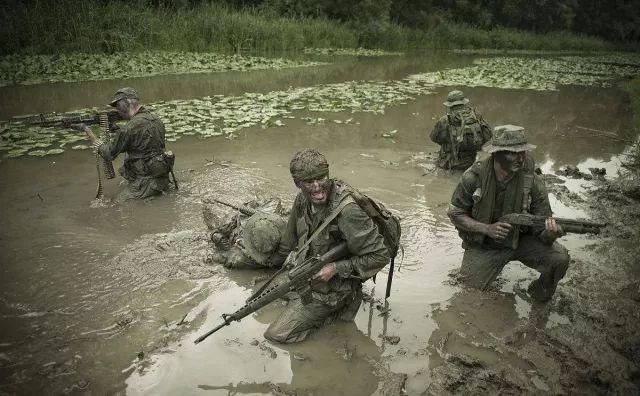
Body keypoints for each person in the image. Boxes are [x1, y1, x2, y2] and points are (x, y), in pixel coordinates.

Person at [263, 149, 390, 344]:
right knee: (261, 295)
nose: (317, 187)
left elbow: (380, 256)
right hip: (305, 275)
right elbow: (289, 241)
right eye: (309, 182)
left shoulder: (348, 211)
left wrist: (335, 268)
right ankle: (305, 308)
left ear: (328, 174)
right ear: (298, 184)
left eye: (321, 178)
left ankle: (336, 314)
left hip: (334, 289)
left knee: (276, 334)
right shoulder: (301, 200)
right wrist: (268, 263)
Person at [447, 125, 570, 303]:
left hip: (522, 241)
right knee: (467, 294)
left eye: (523, 152)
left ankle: (539, 294)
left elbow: (542, 228)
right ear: (497, 153)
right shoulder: (473, 178)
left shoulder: (533, 181)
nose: (520, 158)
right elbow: (455, 213)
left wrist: (550, 234)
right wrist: (487, 229)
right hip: (485, 245)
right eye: (513, 153)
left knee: (560, 259)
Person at [72, 87, 174, 200]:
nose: (117, 110)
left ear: (127, 103)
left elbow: (108, 153)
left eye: (118, 105)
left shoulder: (129, 128)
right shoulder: (155, 119)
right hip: (162, 176)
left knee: (117, 203)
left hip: (146, 181)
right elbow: (140, 141)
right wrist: (117, 129)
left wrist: (88, 131)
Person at [204, 199, 287, 269]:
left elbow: (215, 258)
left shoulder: (240, 259)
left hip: (236, 235)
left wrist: (220, 240)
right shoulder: (286, 242)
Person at [430, 90, 493, 170]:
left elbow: (434, 138)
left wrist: (450, 142)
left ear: (449, 105)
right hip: (471, 161)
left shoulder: (445, 120)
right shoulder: (475, 116)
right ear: (464, 102)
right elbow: (488, 135)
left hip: (450, 163)